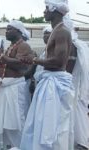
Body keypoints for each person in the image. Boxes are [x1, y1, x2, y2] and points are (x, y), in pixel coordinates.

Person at [20, 0, 74, 149]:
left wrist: (35, 60)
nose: (44, 12)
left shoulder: (62, 31)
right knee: (40, 122)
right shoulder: (56, 30)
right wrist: (33, 60)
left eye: (46, 9)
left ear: (54, 10)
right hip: (49, 81)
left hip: (54, 84)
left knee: (51, 125)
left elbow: (58, 61)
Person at [0, 20, 33, 149]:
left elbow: (20, 65)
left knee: (15, 122)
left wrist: (1, 56)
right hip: (4, 88)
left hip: (14, 89)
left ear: (18, 31)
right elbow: (6, 65)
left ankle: (19, 147)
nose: (6, 32)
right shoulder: (11, 46)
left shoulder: (23, 46)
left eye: (9, 29)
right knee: (3, 122)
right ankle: (7, 146)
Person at [63, 15, 89, 150]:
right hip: (74, 88)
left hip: (70, 88)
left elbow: (67, 70)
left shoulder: (72, 44)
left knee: (74, 116)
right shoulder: (77, 44)